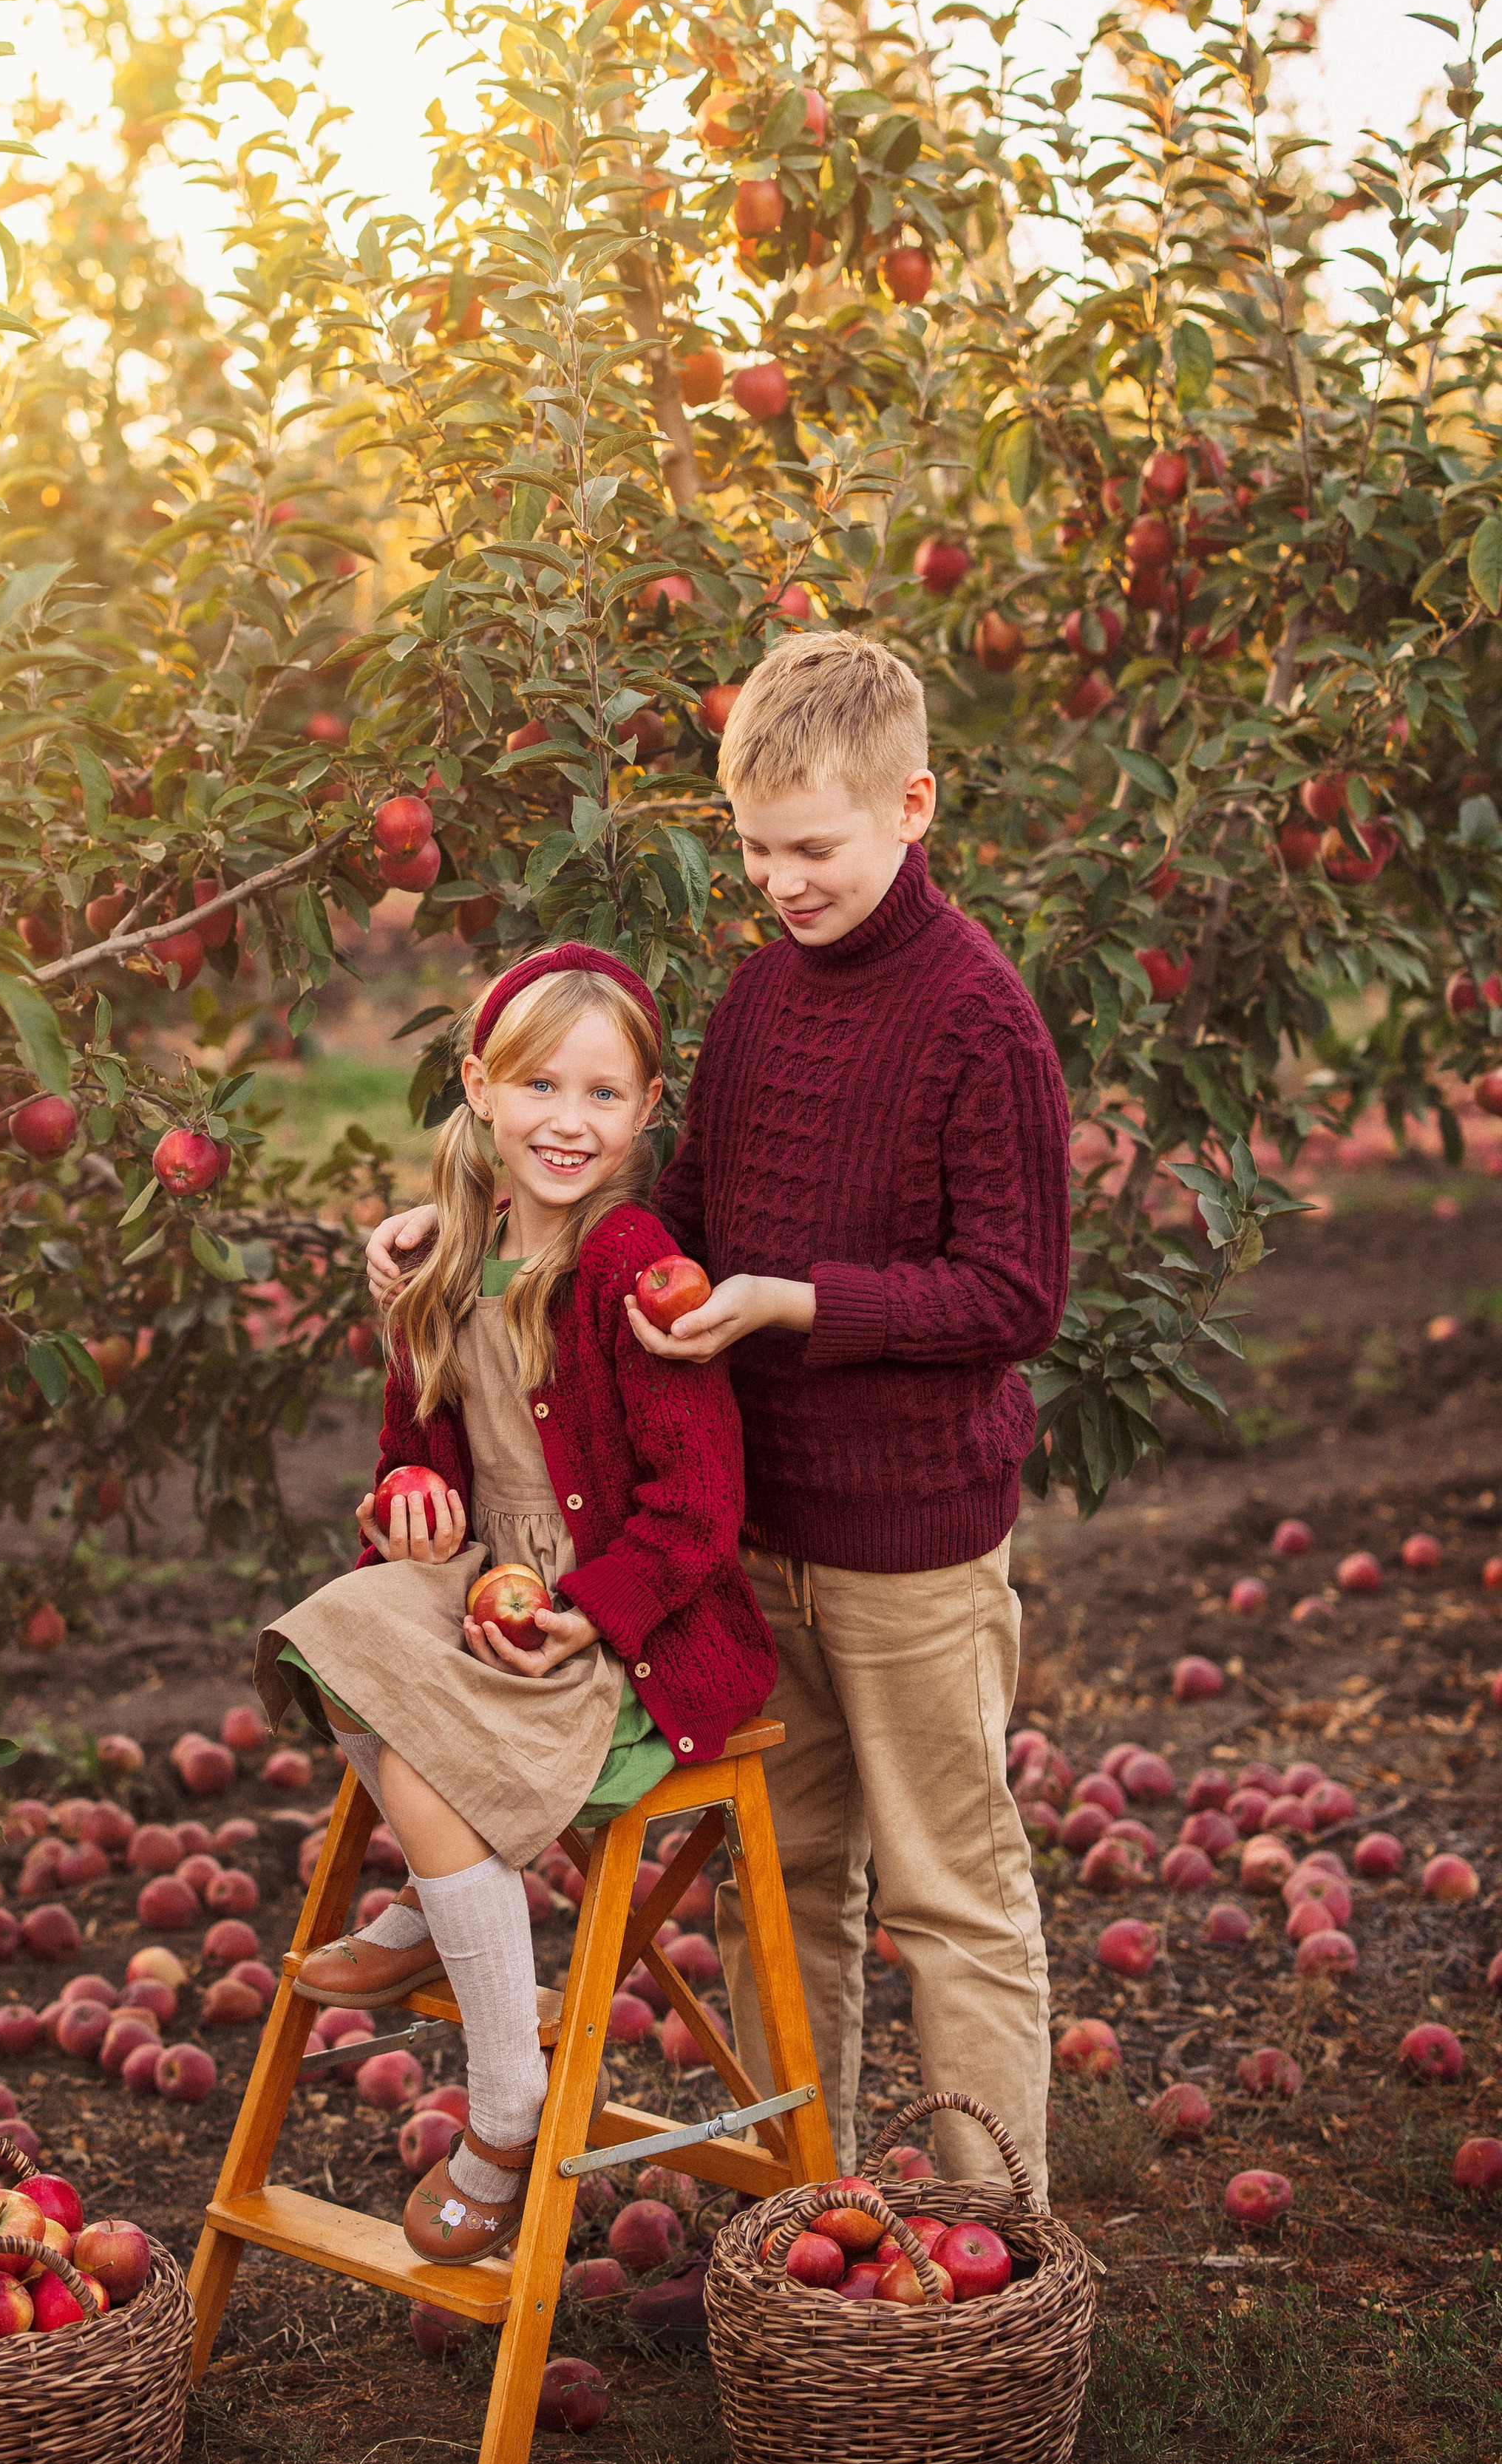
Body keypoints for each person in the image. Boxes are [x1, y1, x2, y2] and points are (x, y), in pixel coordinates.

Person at [368, 634, 1071, 2195]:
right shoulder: (757, 995)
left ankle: (980, 2237)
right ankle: (791, 2213)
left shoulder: (977, 1016)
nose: (781, 880)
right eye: (754, 849)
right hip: (746, 1530)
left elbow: (1012, 1291)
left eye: (812, 847)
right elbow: (674, 1207)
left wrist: (798, 1303)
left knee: (949, 1891)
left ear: (913, 803)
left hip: (905, 1549)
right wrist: (465, 1233)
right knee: (791, 1875)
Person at [258, 944, 775, 2263]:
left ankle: (504, 2102)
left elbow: (700, 1507)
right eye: (540, 1083)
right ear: (479, 1085)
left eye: (603, 1095)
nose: (567, 1119)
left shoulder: (628, 1263)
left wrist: (591, 1613)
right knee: (343, 1627)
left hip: (627, 1634)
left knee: (419, 1747)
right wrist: (414, 1502)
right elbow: (411, 1452)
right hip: (488, 1590)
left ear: (647, 1109)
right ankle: (442, 1909)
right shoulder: (444, 1256)